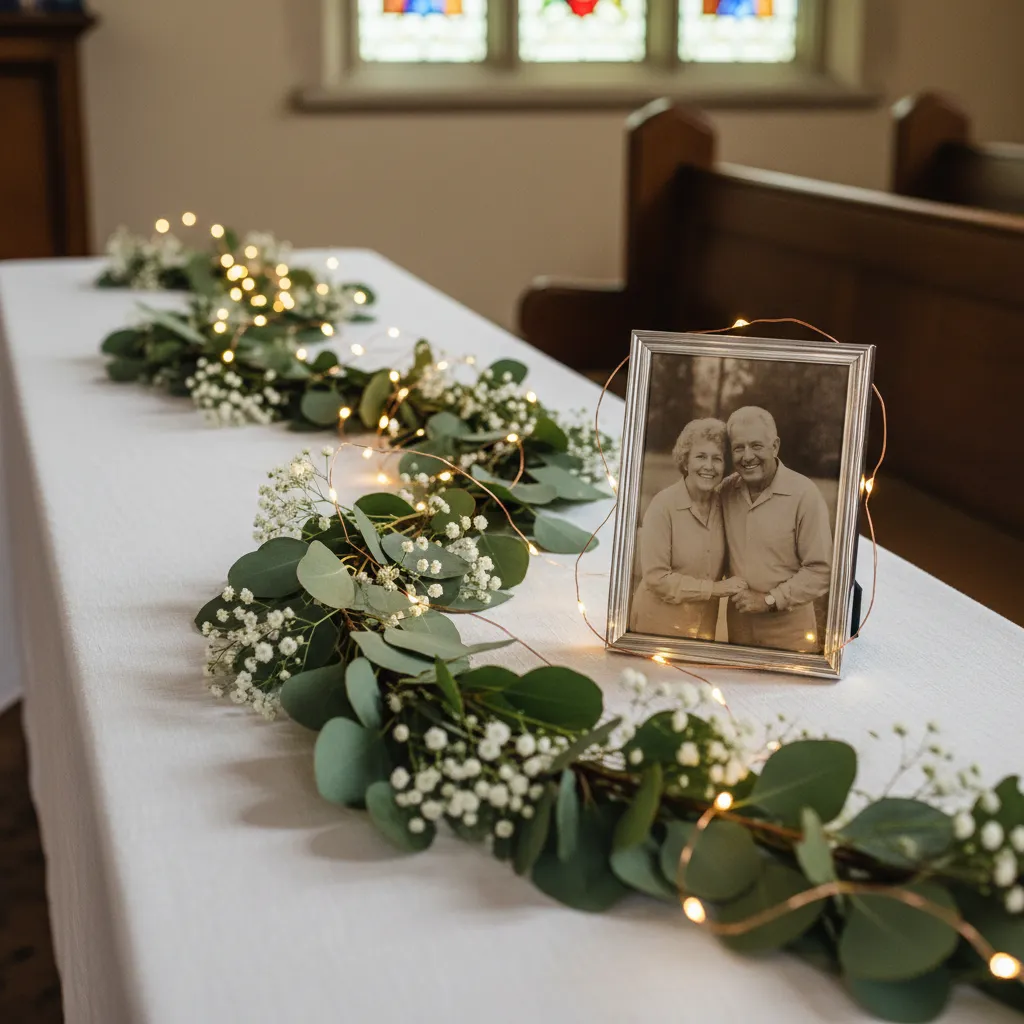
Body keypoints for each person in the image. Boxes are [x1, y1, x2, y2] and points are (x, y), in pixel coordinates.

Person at [720, 406, 832, 653]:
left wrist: (769, 601)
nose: (747, 456)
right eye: (739, 447)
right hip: (738, 629)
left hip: (789, 633)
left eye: (756, 446)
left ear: (775, 446)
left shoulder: (804, 495)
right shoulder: (726, 492)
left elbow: (821, 570)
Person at [631, 419, 747, 640]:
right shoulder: (663, 506)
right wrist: (715, 589)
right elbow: (656, 578)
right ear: (685, 462)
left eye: (717, 459)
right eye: (701, 457)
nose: (709, 466)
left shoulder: (725, 507)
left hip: (703, 631)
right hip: (657, 627)